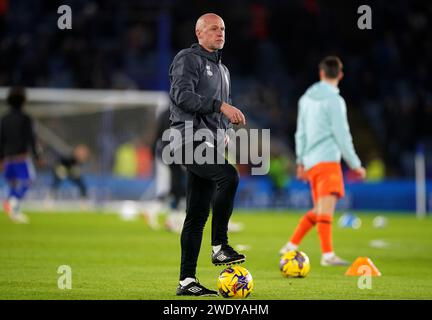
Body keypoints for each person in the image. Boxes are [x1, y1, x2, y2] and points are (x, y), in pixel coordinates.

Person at [169, 13, 247, 296]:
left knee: (197, 214)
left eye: (223, 28)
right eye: (214, 28)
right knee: (229, 176)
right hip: (187, 138)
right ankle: (220, 247)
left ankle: (186, 281)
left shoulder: (223, 70)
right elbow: (181, 96)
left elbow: (217, 113)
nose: (220, 32)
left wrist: (224, 128)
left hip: (209, 142)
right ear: (199, 33)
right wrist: (221, 107)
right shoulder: (187, 59)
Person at [279, 56, 366, 266]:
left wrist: (300, 162)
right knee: (325, 211)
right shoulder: (335, 100)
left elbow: (300, 133)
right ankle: (328, 255)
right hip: (327, 161)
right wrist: (355, 165)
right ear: (340, 75)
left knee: (319, 210)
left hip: (311, 163)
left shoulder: (305, 99)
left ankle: (291, 245)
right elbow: (342, 135)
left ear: (321, 73)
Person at [0, 87, 41, 223]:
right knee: (29, 180)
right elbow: (31, 139)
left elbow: (1, 140)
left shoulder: (4, 119)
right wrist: (37, 156)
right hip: (20, 158)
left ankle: (14, 211)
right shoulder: (25, 119)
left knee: (12, 184)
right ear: (23, 101)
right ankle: (13, 200)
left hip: (7, 159)